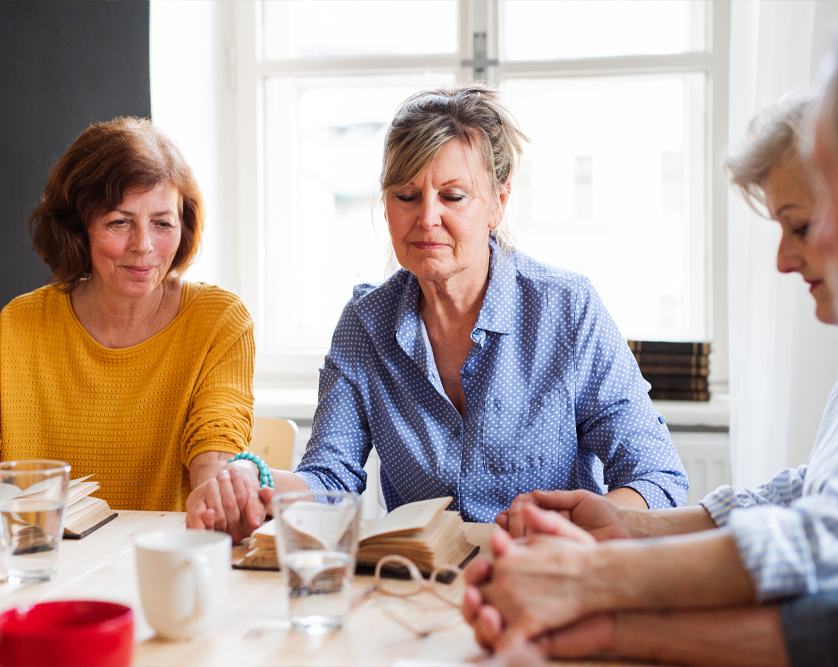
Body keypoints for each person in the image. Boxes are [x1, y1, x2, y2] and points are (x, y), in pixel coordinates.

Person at [187, 84, 688, 535]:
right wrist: (254, 478)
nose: (427, 218)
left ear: (497, 202)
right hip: (416, 587)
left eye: (453, 196)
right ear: (385, 206)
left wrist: (580, 533)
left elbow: (655, 476)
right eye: (406, 196)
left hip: (549, 580)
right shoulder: (366, 323)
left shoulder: (566, 309)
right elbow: (330, 476)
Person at [462, 92, 838, 667]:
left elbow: (826, 541)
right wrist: (632, 528)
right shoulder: (368, 320)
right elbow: (809, 490)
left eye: (803, 225)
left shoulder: (567, 305)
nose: (784, 260)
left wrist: (594, 577)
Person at [0, 117, 264, 538]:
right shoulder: (16, 326)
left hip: (159, 564)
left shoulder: (218, 320)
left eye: (162, 224)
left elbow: (216, 441)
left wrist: (219, 487)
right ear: (77, 228)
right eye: (119, 222)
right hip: (39, 565)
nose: (143, 246)